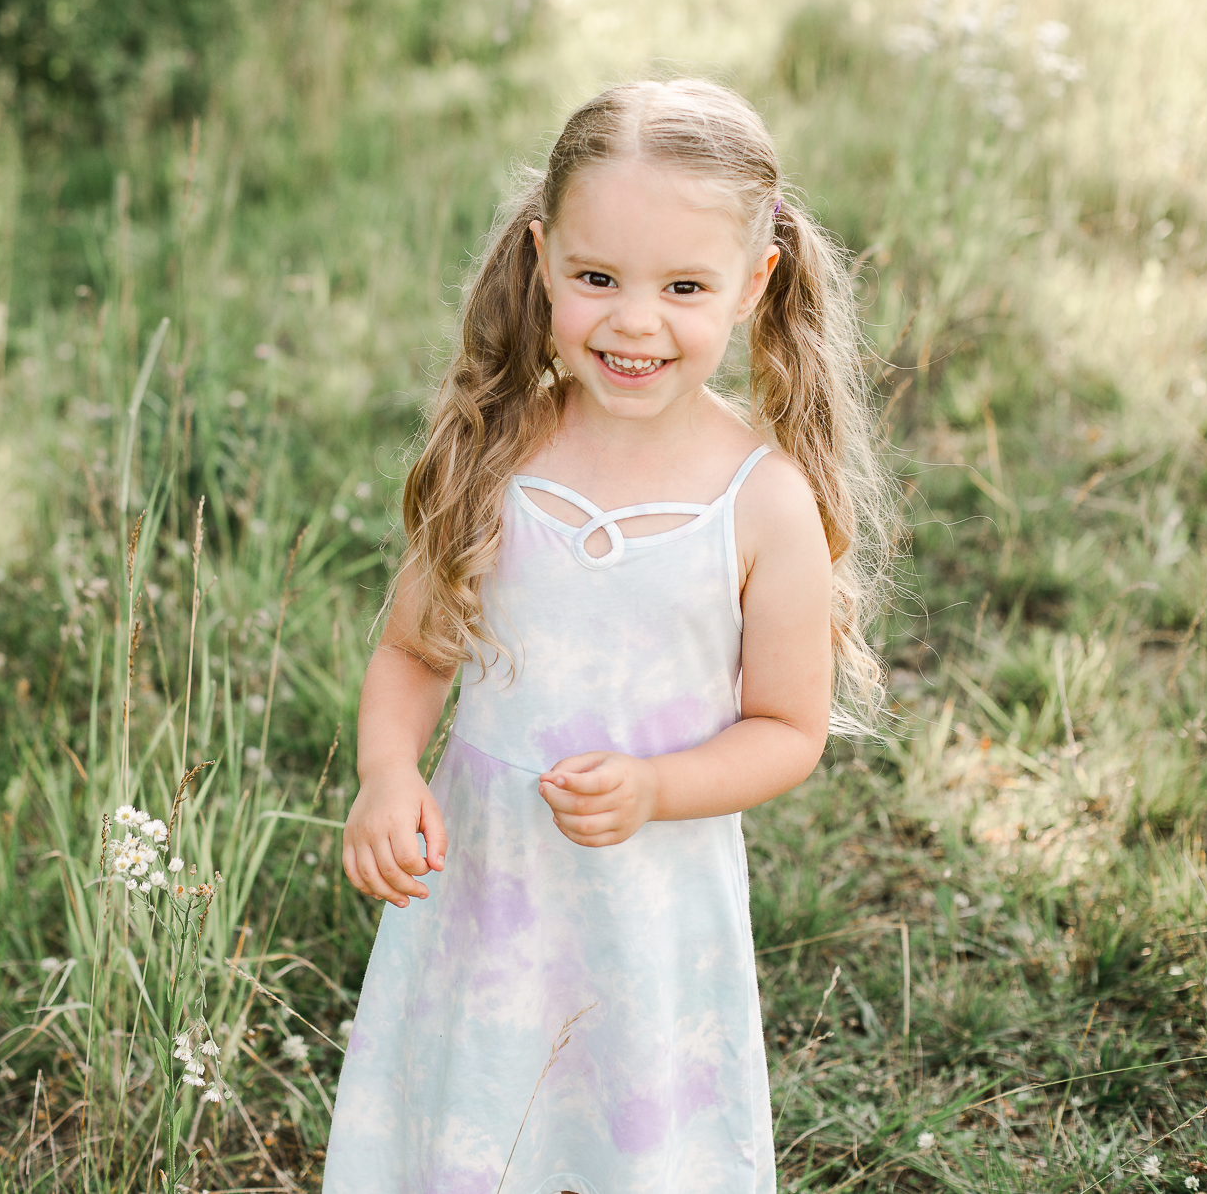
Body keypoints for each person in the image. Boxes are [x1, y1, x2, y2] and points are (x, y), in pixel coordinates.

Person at [322, 78, 898, 1194]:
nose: (634, 322)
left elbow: (787, 727)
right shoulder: (498, 454)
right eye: (596, 279)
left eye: (683, 286)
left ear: (751, 284)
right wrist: (386, 774)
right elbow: (412, 651)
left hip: (649, 909)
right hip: (484, 899)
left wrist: (655, 787)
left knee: (636, 1148)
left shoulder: (762, 501)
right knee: (475, 1126)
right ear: (541, 259)